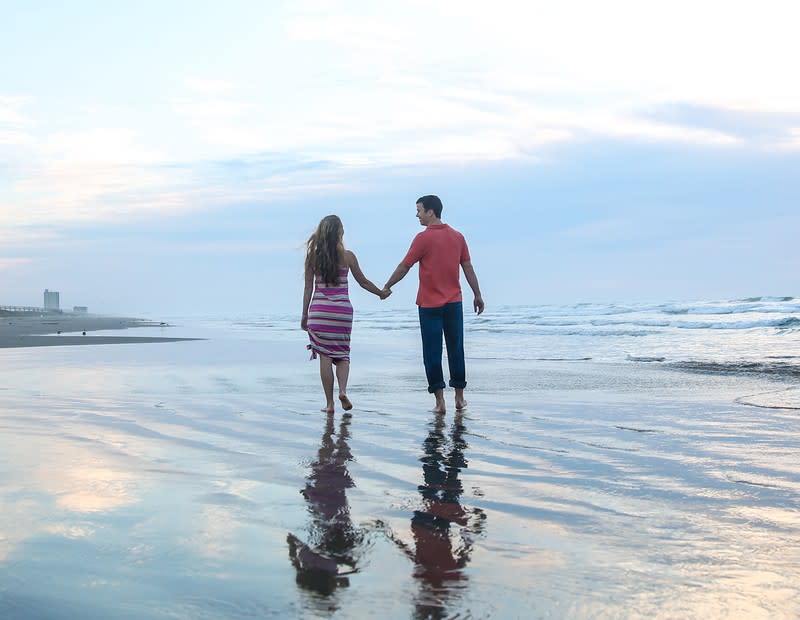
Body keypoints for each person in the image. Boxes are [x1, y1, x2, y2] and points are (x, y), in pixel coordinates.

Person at [383, 195, 484, 414]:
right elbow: (468, 268)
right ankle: (459, 398)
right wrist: (477, 294)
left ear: (431, 212)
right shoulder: (458, 237)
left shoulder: (422, 239)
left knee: (432, 352)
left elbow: (404, 266)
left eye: (419, 210)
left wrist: (387, 286)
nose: (417, 214)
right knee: (456, 350)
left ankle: (440, 402)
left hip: (429, 306)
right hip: (454, 304)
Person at [302, 214, 389, 413]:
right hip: (342, 313)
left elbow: (308, 288)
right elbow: (363, 282)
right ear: (340, 232)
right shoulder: (348, 256)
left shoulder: (312, 257)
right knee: (342, 355)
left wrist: (304, 315)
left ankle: (330, 404)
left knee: (324, 356)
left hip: (319, 312)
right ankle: (342, 390)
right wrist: (381, 293)